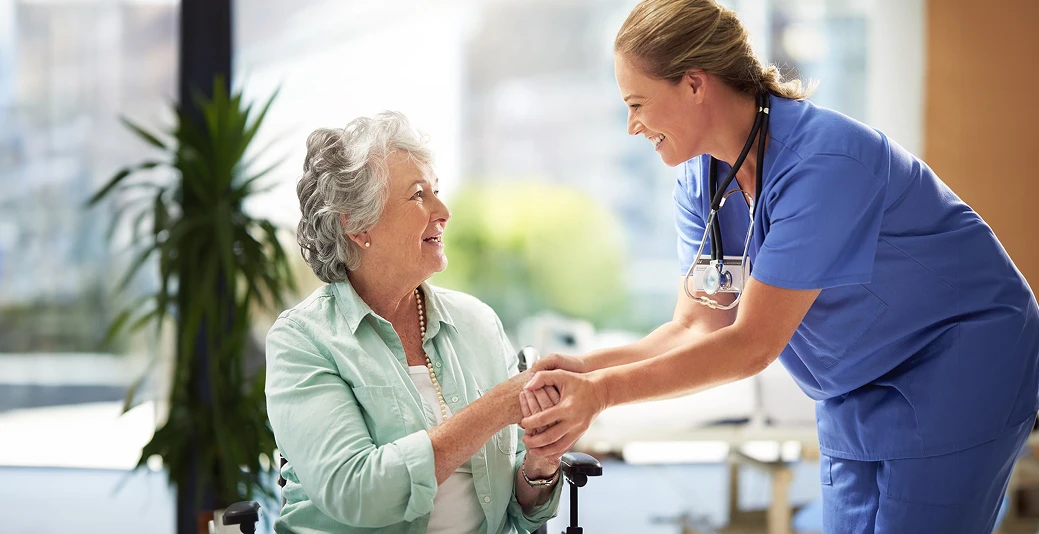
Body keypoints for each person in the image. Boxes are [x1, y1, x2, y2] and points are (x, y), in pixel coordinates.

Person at [518, 1, 1039, 532]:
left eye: (637, 103)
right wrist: (588, 368)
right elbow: (697, 324)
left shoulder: (826, 163)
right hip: (854, 380)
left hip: (958, 360)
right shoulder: (702, 182)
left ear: (695, 84)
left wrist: (603, 394)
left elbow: (751, 345)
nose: (632, 126)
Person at [265, 111, 562, 534]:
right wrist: (495, 409)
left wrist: (541, 463)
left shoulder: (478, 322)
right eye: (419, 195)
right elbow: (357, 491)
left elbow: (520, 511)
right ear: (357, 224)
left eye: (437, 191)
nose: (443, 211)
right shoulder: (302, 341)